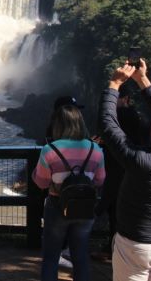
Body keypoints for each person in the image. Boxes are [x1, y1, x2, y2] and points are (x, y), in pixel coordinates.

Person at [100, 59, 151, 281]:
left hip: (136, 246)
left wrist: (114, 84)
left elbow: (108, 125)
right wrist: (143, 79)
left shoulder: (140, 161)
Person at [32, 102, 105, 281]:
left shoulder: (50, 150)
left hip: (57, 206)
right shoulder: (96, 150)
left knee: (50, 258)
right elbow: (100, 180)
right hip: (86, 208)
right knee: (80, 257)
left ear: (58, 124)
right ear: (80, 122)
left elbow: (41, 182)